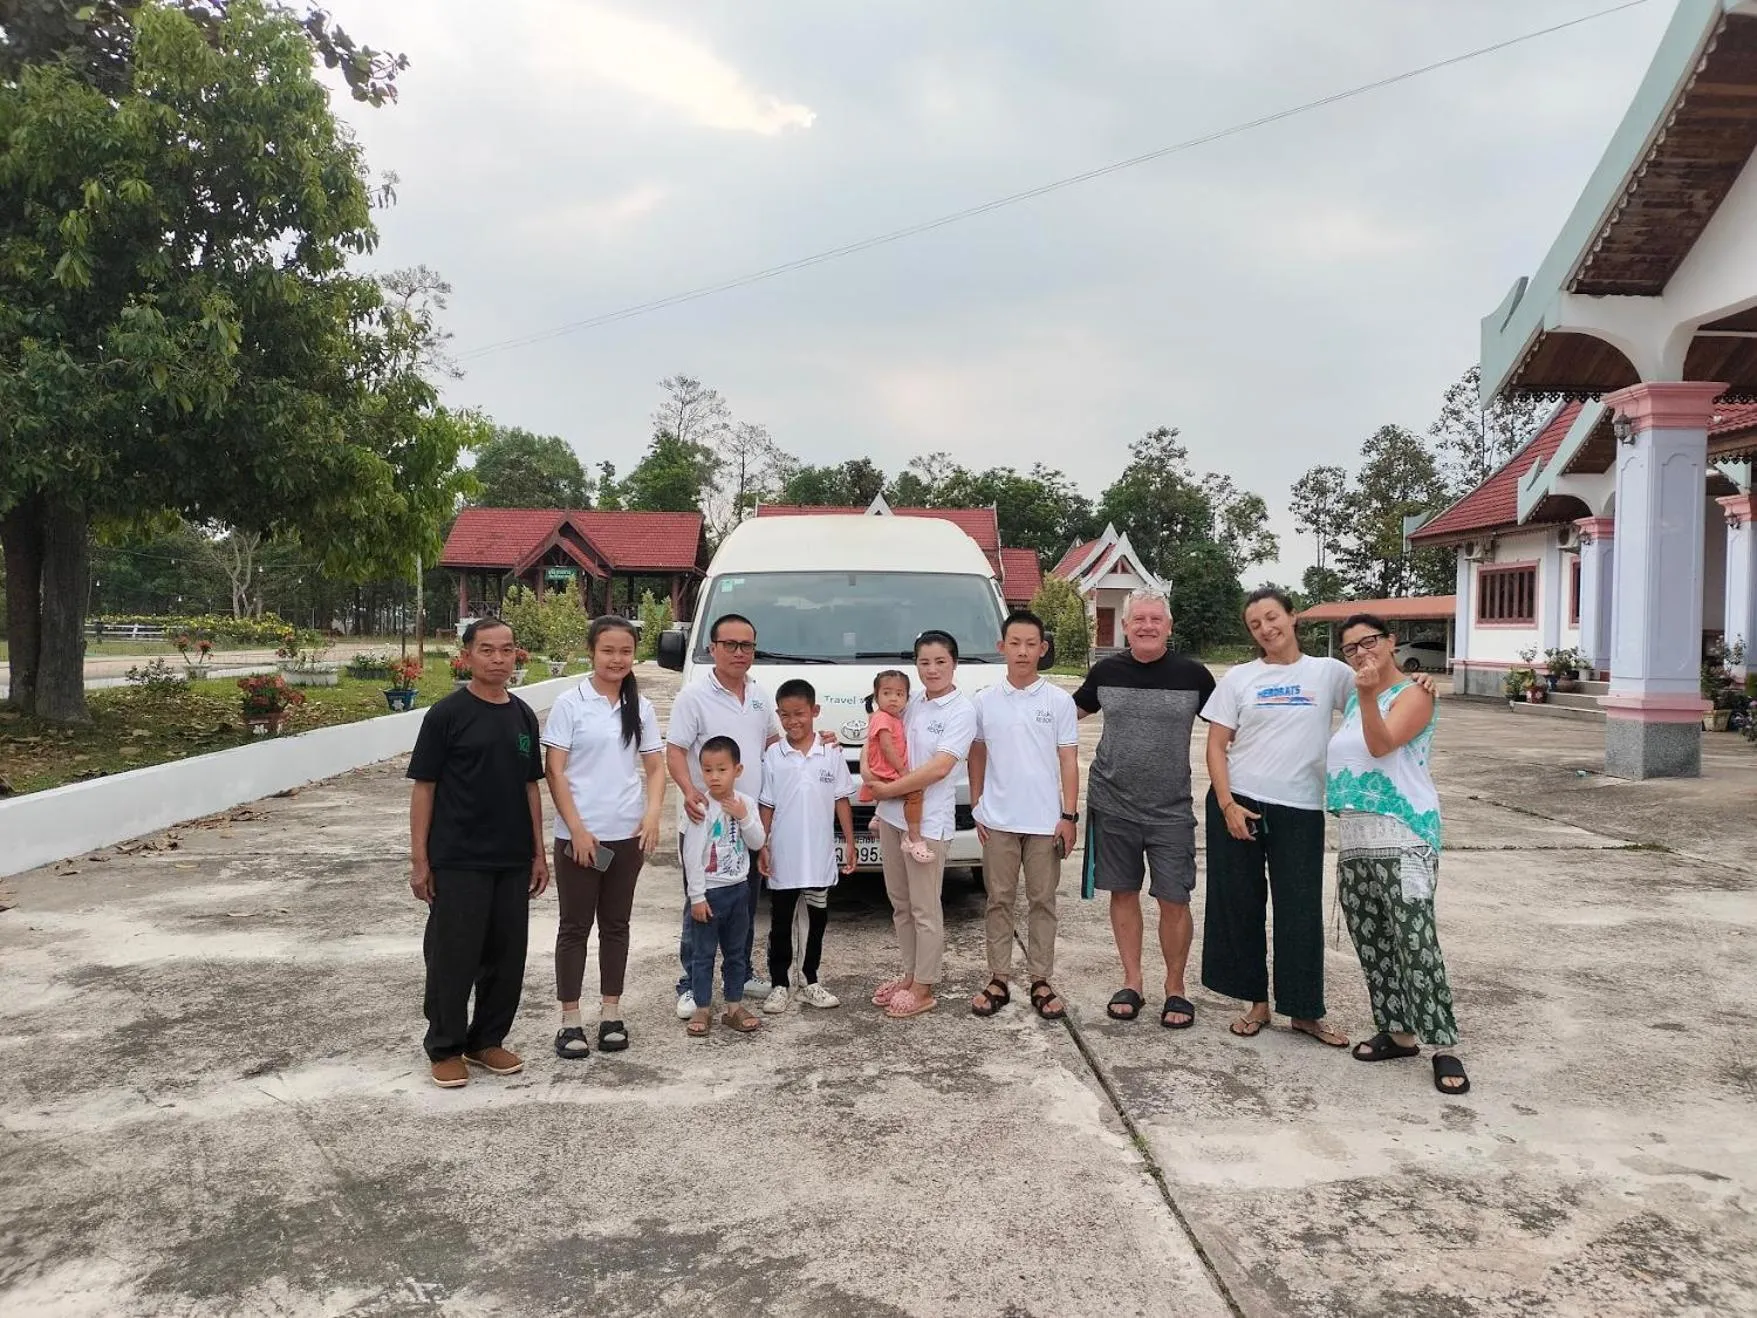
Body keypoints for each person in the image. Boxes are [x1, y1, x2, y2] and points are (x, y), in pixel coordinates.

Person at [1200, 588, 1354, 1048]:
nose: (1267, 629)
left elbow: (1378, 691)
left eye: (1272, 617)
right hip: (1240, 801)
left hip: (1302, 807)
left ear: (1293, 617)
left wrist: (1417, 684)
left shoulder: (1328, 673)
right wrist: (1227, 804)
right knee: (1240, 906)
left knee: (1300, 911)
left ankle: (1305, 1012)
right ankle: (1256, 1003)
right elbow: (1215, 745)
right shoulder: (1239, 678)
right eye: (1255, 624)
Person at [1327, 613, 1469, 1096]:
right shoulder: (1353, 700)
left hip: (1404, 834)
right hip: (1357, 838)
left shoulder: (1415, 693)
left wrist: (1368, 695)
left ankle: (1443, 1043)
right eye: (1350, 648)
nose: (1361, 652)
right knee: (1374, 940)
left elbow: (1382, 744)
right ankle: (1398, 1032)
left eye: (1369, 642)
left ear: (1391, 642)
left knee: (1415, 942)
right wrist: (1362, 696)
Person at [406, 616, 548, 1089]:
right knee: (453, 956)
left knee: (507, 956)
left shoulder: (523, 715)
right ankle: (445, 1046)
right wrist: (420, 861)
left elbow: (530, 786)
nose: (498, 659)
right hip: (458, 857)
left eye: (506, 650)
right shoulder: (446, 715)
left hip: (511, 859)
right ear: (466, 656)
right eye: (487, 650)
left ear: (516, 655)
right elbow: (424, 789)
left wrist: (538, 853)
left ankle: (486, 1039)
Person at [1073, 590, 1215, 1029]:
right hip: (1112, 803)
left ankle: (1176, 988)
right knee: (1123, 893)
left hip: (1171, 809)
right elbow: (1059, 715)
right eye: (1139, 619)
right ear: (1126, 627)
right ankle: (1132, 982)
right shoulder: (1106, 671)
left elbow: (1234, 722)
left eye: (1156, 619)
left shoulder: (1194, 676)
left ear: (1169, 628)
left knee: (1175, 898)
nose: (1147, 626)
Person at [542, 615, 665, 1060]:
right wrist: (576, 829)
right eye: (608, 651)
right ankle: (569, 1020)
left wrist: (651, 816)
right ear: (592, 652)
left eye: (625, 652)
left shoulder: (642, 708)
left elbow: (654, 767)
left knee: (616, 925)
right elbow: (554, 770)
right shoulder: (570, 704)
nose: (617, 659)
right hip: (580, 837)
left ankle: (611, 1013)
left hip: (626, 835)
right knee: (575, 927)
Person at [667, 613, 781, 1021]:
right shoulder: (693, 697)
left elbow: (773, 743)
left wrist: (815, 740)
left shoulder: (759, 695)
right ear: (712, 647)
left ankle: (742, 973)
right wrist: (689, 790)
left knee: (743, 904)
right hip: (704, 820)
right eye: (729, 645)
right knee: (698, 904)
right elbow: (676, 750)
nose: (738, 653)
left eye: (746, 646)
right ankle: (689, 984)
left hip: (744, 819)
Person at [967, 610, 1080, 1021]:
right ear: (1001, 648)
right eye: (1014, 643)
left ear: (1043, 649)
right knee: (998, 899)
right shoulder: (983, 701)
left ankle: (1040, 979)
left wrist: (1069, 814)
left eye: (1031, 644)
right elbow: (977, 753)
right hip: (997, 820)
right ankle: (998, 977)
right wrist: (978, 803)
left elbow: (1069, 759)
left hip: (1044, 821)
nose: (1022, 651)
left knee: (1042, 901)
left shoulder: (1058, 701)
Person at [863, 630, 977, 1020]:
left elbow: (940, 767)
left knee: (925, 908)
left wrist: (890, 787)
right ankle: (910, 974)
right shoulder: (910, 703)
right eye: (924, 662)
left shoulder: (961, 711)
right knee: (900, 905)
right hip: (894, 819)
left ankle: (925, 986)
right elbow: (881, 738)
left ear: (954, 663)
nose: (932, 670)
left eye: (940, 662)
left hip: (927, 823)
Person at [757, 678, 857, 1013]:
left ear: (814, 711)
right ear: (778, 714)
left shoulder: (830, 752)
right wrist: (763, 845)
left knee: (816, 920)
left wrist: (850, 843)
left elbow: (841, 799)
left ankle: (809, 980)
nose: (792, 721)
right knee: (781, 922)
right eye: (785, 715)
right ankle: (779, 984)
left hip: (819, 856)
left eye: (799, 713)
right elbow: (767, 804)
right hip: (784, 856)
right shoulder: (774, 755)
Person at [682, 736, 768, 1038]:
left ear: (738, 770)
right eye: (708, 771)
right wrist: (696, 896)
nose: (714, 777)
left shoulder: (747, 803)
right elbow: (691, 855)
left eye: (722, 770)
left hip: (739, 890)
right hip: (710, 893)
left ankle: (733, 1007)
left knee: (735, 953)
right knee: (703, 953)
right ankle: (702, 1008)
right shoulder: (700, 807)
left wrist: (743, 817)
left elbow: (757, 842)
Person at [863, 670, 934, 863]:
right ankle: (914, 838)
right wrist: (903, 771)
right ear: (876, 696)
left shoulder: (892, 717)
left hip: (884, 770)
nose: (893, 699)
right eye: (887, 693)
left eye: (899, 694)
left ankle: (878, 818)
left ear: (907, 698)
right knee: (914, 795)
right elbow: (886, 746)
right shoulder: (883, 718)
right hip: (886, 770)